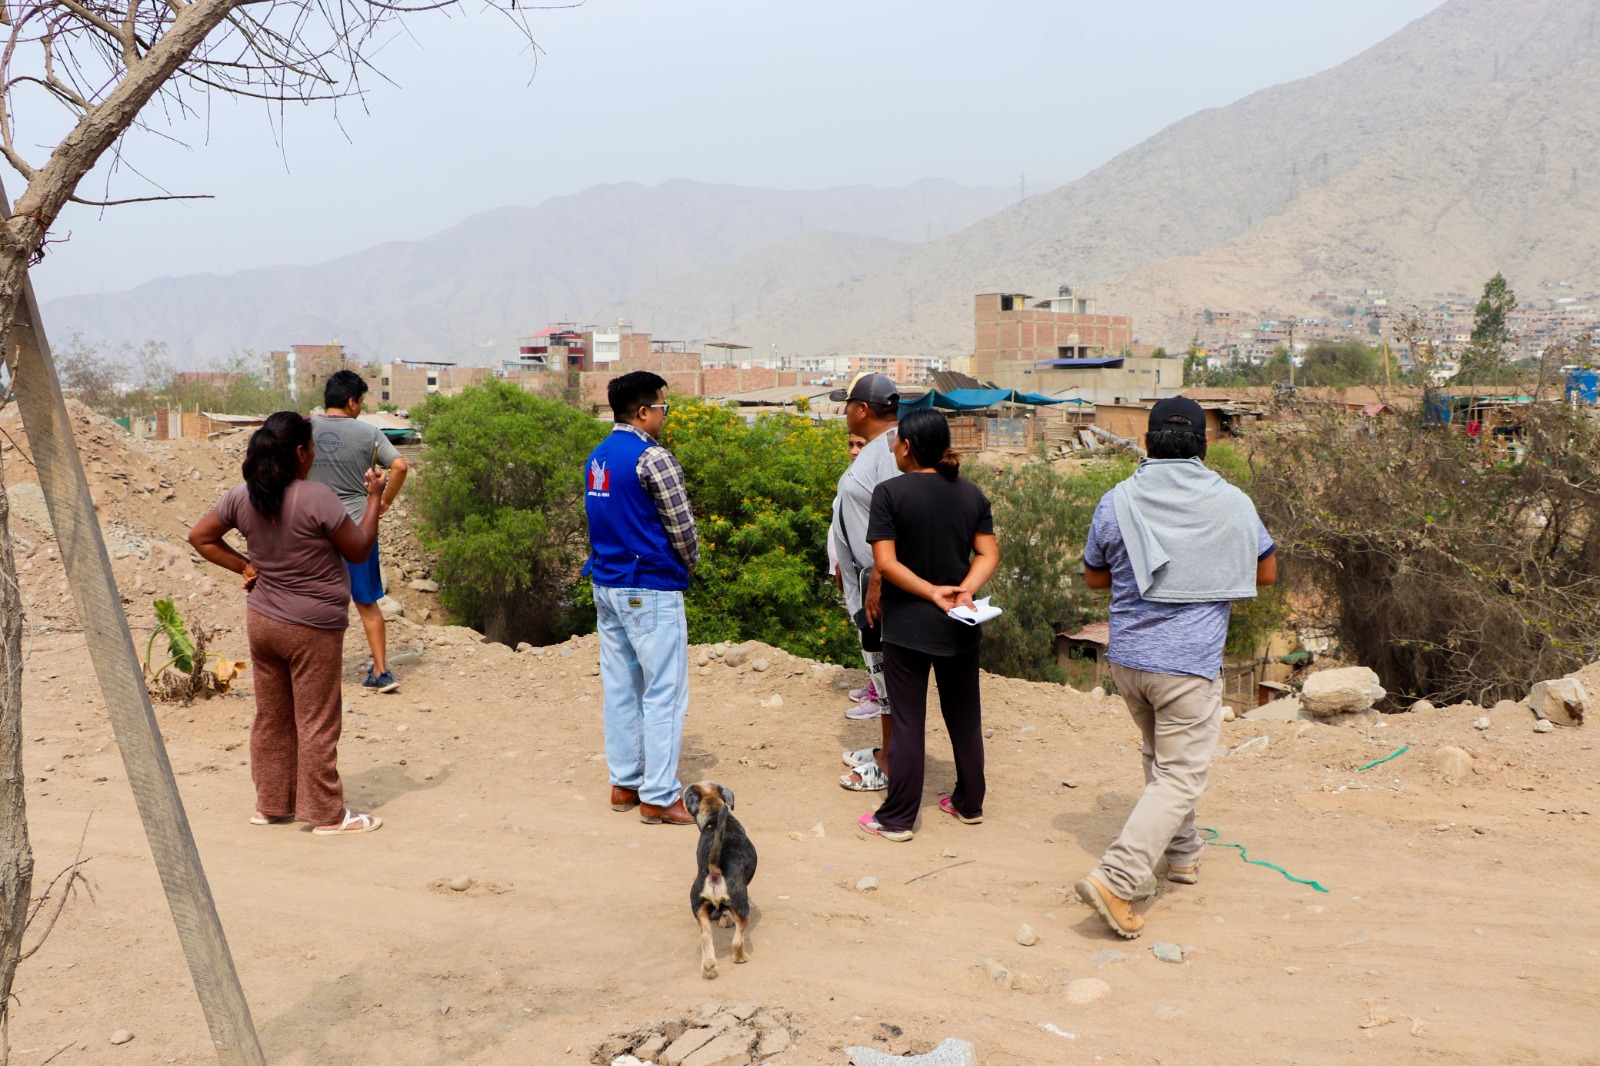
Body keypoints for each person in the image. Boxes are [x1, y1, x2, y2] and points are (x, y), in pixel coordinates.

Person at [1073, 396, 1277, 937]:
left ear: (1147, 443)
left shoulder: (1116, 500)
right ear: (1203, 447)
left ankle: (1182, 856)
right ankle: (1117, 879)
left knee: (1159, 761)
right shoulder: (1232, 502)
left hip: (1130, 664)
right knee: (1180, 776)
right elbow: (1268, 572)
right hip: (1187, 667)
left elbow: (1096, 578)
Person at [188, 412, 386, 835]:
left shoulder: (242, 496)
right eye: (310, 447)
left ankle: (272, 804)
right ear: (299, 452)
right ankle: (327, 815)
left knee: (272, 717)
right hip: (312, 627)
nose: (312, 454)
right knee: (317, 719)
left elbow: (200, 537)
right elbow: (358, 550)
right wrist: (374, 499)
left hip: (263, 622)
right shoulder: (317, 497)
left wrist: (243, 566)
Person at [857, 409, 999, 842]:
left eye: (897, 443)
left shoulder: (890, 493)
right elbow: (988, 554)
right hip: (961, 623)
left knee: (907, 723)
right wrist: (963, 590)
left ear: (908, 448)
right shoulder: (971, 493)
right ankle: (969, 804)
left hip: (908, 627)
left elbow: (885, 563)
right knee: (964, 717)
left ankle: (898, 818)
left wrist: (931, 592)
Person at [584, 371, 699, 826]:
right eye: (663, 409)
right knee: (664, 691)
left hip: (607, 583)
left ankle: (624, 783)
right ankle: (658, 795)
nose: (664, 417)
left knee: (620, 687)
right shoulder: (653, 458)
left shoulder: (600, 456)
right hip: (649, 585)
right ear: (644, 412)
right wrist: (689, 565)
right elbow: (682, 528)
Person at [307, 370, 408, 693]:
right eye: (360, 402)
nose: (360, 409)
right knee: (366, 603)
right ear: (351, 402)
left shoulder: (305, 430)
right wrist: (384, 503)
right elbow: (400, 466)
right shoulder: (369, 433)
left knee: (313, 601)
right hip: (356, 530)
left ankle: (310, 673)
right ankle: (381, 672)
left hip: (313, 530)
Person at [828, 374, 902, 792]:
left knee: (890, 679)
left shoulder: (890, 451)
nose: (844, 413)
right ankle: (886, 751)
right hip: (865, 578)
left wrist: (876, 579)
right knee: (882, 676)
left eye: (847, 405)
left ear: (863, 410)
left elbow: (896, 518)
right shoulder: (877, 448)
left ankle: (891, 764)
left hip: (881, 582)